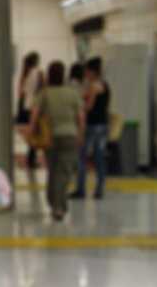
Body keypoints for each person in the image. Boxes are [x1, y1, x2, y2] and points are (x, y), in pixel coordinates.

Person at [30, 61, 84, 221]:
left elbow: (34, 115)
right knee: (63, 173)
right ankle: (59, 207)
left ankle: (54, 203)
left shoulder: (44, 93)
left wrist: (32, 132)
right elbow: (81, 117)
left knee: (53, 171)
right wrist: (81, 135)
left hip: (50, 138)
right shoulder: (72, 93)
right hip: (69, 136)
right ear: (63, 75)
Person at [72, 56, 110, 200]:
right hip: (103, 124)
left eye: (87, 71)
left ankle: (80, 189)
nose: (85, 74)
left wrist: (79, 108)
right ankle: (99, 189)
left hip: (92, 125)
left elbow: (89, 106)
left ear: (92, 72)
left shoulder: (94, 86)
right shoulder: (104, 85)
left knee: (82, 156)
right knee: (99, 157)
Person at [16, 52, 44, 171]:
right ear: (36, 61)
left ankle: (30, 158)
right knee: (35, 134)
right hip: (35, 107)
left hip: (25, 107)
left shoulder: (24, 74)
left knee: (30, 133)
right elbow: (42, 89)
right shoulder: (39, 73)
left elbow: (21, 93)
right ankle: (31, 160)